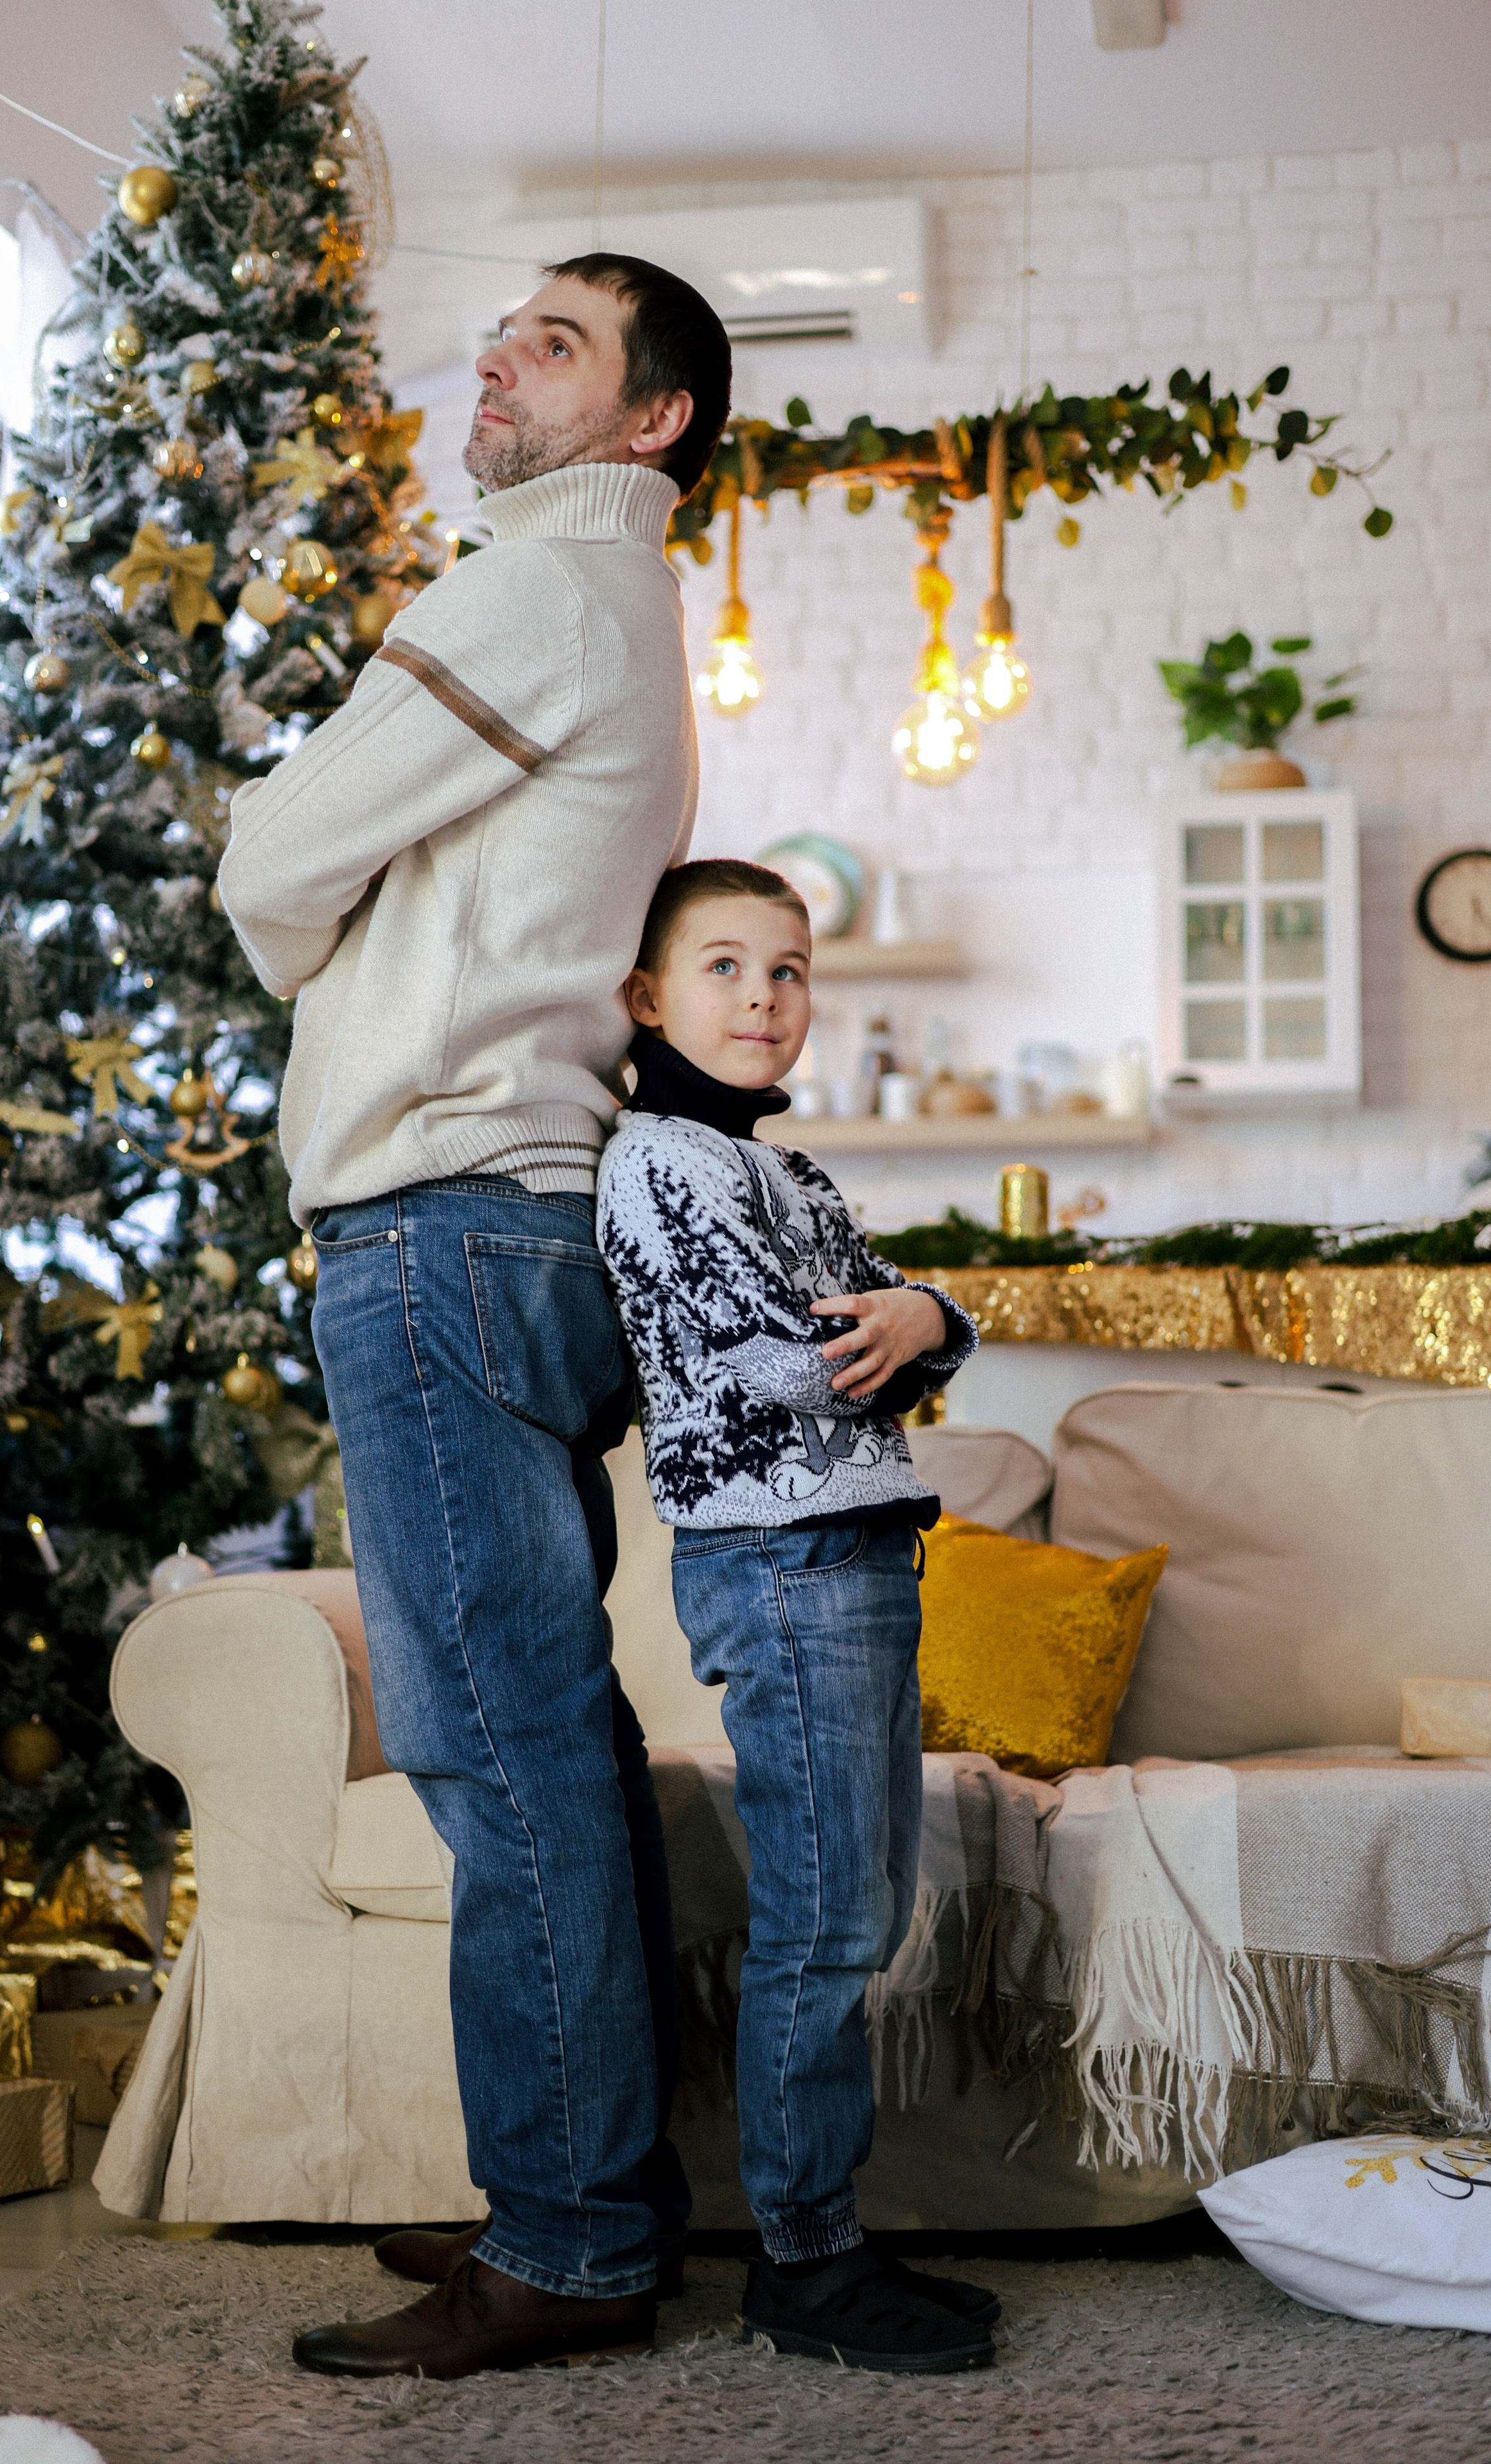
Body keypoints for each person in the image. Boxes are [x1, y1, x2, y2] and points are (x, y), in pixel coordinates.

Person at [218, 256, 730, 2381]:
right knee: (552, 1734)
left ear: (652, 421)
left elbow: (271, 861)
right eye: (505, 326)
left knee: (493, 1745)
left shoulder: (536, 588)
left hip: (442, 1217)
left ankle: (574, 2242)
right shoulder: (611, 604)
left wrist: (309, 906)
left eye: (558, 341)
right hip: (515, 1223)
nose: (499, 356)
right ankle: (591, 2188)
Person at [596, 859, 999, 2374]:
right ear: (646, 998)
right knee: (822, 1922)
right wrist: (904, 1332)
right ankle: (804, 2264)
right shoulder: (660, 1162)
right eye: (723, 967)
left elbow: (910, 1317)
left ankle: (823, 2236)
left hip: (856, 1558)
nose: (763, 997)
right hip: (783, 1563)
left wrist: (928, 1318)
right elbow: (791, 1358)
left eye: (787, 970)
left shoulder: (788, 1171)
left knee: (860, 1910)